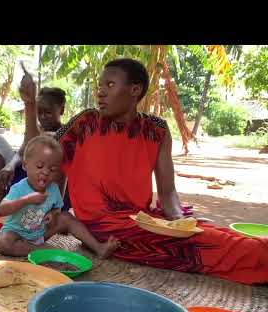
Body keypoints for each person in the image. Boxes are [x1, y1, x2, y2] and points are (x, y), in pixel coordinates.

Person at [55, 58, 268, 285]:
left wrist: (179, 220)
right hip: (105, 231)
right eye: (100, 86)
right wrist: (56, 208)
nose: (100, 93)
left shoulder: (157, 130)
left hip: (141, 221)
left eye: (109, 85)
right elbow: (47, 156)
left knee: (208, 232)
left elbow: (167, 193)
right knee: (215, 245)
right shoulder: (85, 122)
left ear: (135, 90)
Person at [0, 135, 119, 257]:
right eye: (39, 166)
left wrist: (53, 214)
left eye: (52, 169)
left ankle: (99, 248)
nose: (45, 172)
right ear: (24, 165)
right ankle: (38, 250)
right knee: (3, 243)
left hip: (40, 233)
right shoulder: (19, 188)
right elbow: (2, 209)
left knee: (66, 217)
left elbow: (57, 208)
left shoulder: (53, 188)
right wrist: (26, 200)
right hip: (17, 233)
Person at [0, 73, 70, 219]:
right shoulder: (36, 128)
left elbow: (36, 143)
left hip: (48, 188)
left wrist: (29, 104)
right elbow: (23, 151)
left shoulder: (66, 134)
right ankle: (0, 200)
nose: (43, 116)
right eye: (40, 112)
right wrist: (10, 166)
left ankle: (48, 210)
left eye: (48, 112)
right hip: (25, 176)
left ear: (61, 111)